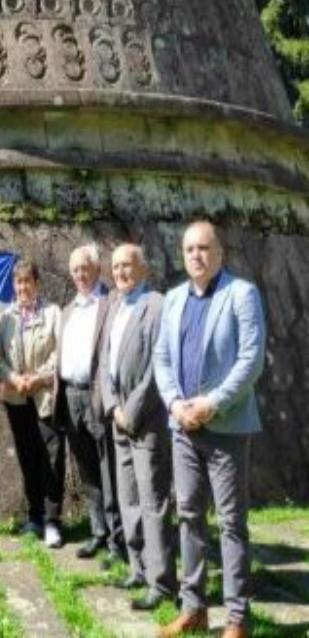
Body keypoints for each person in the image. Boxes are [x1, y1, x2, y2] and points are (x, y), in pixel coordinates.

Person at [155, 222, 266, 638]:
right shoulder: (172, 299)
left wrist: (213, 403)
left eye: (204, 247)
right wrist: (174, 403)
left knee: (232, 522)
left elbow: (251, 360)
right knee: (188, 516)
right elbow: (162, 357)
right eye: (189, 249)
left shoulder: (241, 294)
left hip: (227, 428)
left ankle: (237, 618)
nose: (196, 255)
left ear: (220, 253)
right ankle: (194, 608)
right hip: (182, 426)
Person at [99, 244, 176, 611]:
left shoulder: (156, 305)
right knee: (127, 497)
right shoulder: (114, 304)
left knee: (152, 502)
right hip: (120, 418)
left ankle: (162, 582)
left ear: (143, 269)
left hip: (146, 420)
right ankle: (137, 567)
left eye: (127, 266)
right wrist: (114, 407)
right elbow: (104, 362)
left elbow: (156, 369)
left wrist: (131, 410)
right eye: (115, 267)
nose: (120, 272)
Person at [55, 244, 124, 560]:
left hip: (97, 395)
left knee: (108, 467)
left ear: (98, 270)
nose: (80, 275)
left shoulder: (112, 303)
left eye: (85, 268)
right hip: (70, 396)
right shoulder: (68, 310)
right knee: (86, 470)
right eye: (75, 270)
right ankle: (98, 531)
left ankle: (117, 539)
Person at [0, 258, 65, 547]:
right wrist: (13, 378)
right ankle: (34, 517)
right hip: (17, 398)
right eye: (18, 282)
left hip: (45, 396)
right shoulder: (6, 317)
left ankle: (52, 522)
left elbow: (60, 352)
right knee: (27, 458)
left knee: (51, 458)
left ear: (37, 283)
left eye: (28, 282)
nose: (23, 287)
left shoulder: (52, 313)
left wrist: (39, 377)